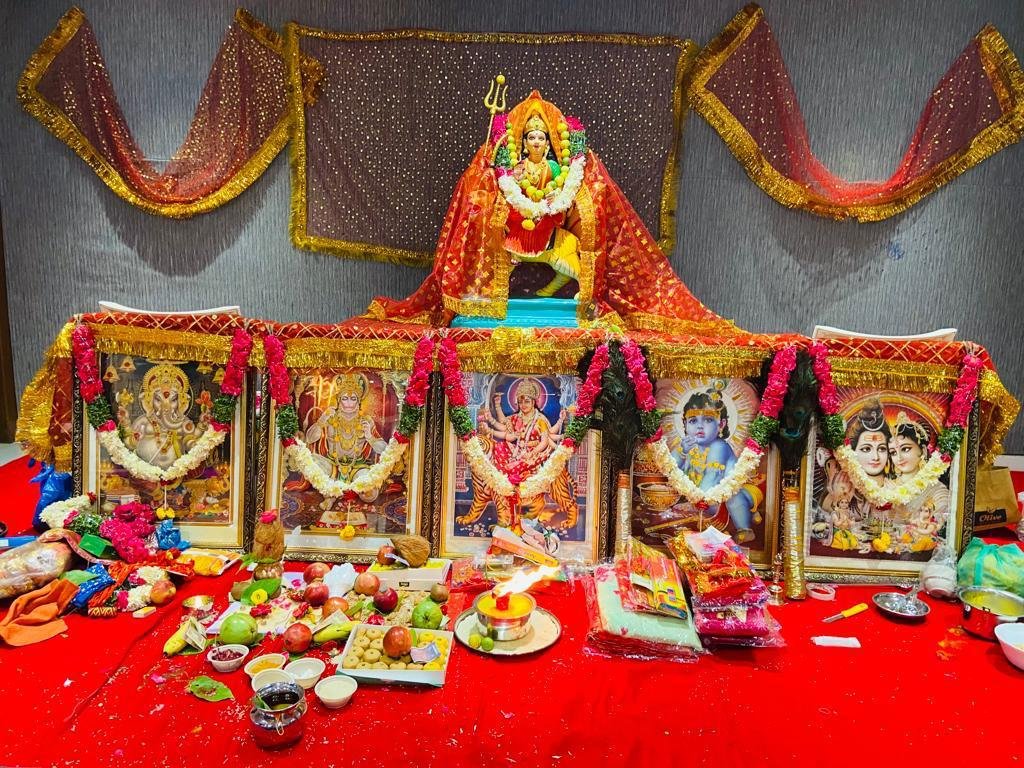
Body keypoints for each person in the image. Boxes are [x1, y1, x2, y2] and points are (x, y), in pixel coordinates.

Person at [677, 382, 756, 543]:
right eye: (693, 421)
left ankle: (744, 528)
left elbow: (713, 477)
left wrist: (695, 502)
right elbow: (671, 467)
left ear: (721, 424)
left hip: (720, 496)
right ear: (684, 424)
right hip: (699, 499)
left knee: (735, 497)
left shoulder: (719, 447)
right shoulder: (687, 445)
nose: (699, 426)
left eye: (707, 420)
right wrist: (682, 452)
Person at [889, 410, 949, 539]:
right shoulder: (888, 486)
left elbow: (938, 527)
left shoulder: (937, 490)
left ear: (922, 450)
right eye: (893, 452)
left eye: (905, 449)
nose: (898, 458)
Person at [130, 363, 198, 470]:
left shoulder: (183, 422)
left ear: (182, 401)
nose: (166, 405)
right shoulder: (143, 421)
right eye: (158, 399)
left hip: (177, 473)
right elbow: (129, 443)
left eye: (173, 400)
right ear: (148, 400)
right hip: (144, 473)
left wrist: (194, 443)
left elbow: (190, 440)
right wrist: (132, 436)